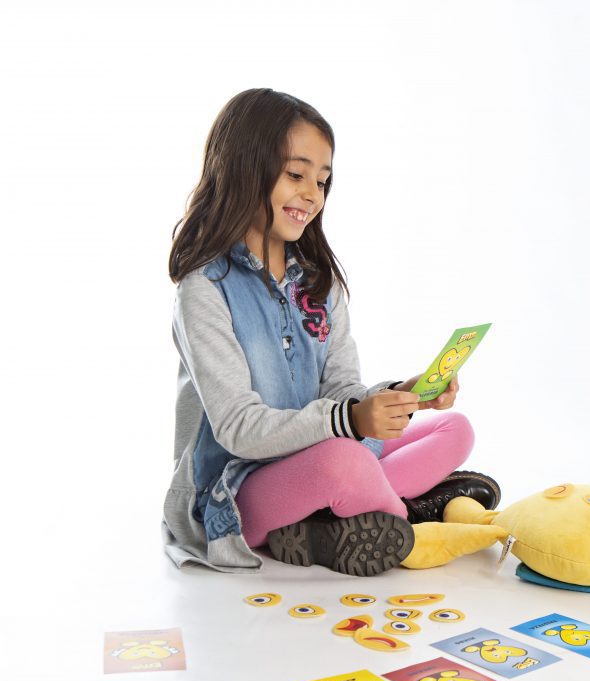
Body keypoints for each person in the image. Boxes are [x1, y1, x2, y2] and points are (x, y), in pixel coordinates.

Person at [162, 88, 500, 576]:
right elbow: (237, 429)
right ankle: (413, 521)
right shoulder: (205, 289)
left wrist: (398, 398)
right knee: (345, 462)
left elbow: (341, 391)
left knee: (454, 429)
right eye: (295, 175)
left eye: (321, 181)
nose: (312, 194)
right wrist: (349, 421)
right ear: (243, 168)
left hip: (322, 453)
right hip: (239, 487)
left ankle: (329, 522)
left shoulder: (320, 284)